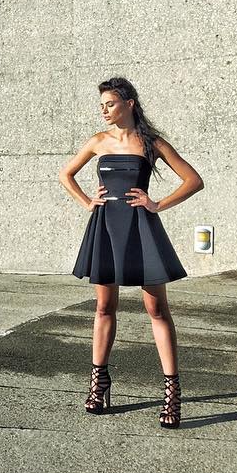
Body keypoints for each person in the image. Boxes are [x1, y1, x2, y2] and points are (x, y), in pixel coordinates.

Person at [58, 77, 204, 429]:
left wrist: (157, 204)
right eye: (102, 105)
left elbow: (193, 180)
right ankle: (99, 383)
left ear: (129, 104)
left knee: (157, 309)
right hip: (106, 228)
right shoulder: (98, 141)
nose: (104, 110)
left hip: (141, 229)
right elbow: (66, 175)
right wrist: (87, 202)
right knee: (104, 307)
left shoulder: (151, 143)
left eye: (110, 104)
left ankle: (172, 393)